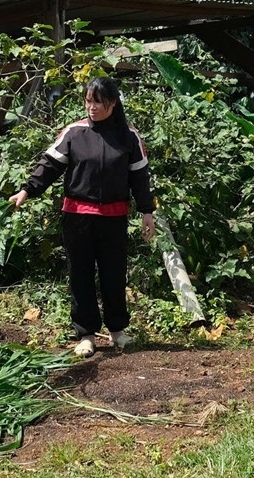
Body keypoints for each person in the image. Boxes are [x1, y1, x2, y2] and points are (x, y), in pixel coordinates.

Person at [9, 77, 155, 358]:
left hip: (114, 218)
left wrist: (146, 212)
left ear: (113, 103)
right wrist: (27, 191)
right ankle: (86, 334)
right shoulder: (74, 133)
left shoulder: (129, 137)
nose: (92, 107)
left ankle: (117, 331)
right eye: (88, 101)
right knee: (80, 274)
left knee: (114, 274)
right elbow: (49, 166)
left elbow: (140, 177)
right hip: (77, 217)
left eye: (98, 102)